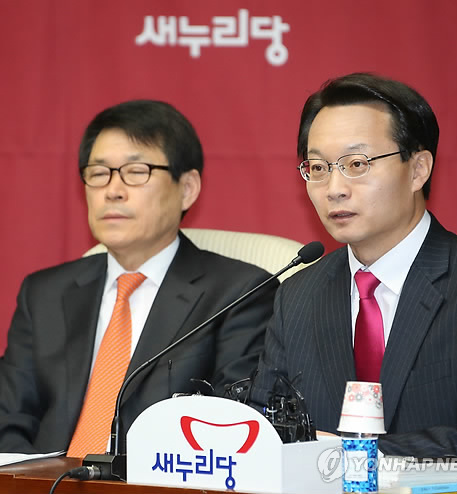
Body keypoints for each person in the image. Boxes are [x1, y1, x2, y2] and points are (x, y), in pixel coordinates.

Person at [252, 73, 457, 485]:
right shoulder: (297, 295)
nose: (334, 188)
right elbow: (265, 428)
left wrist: (355, 459)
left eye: (356, 165)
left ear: (418, 169)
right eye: (318, 168)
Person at [0, 99, 278, 457]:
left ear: (187, 188)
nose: (113, 190)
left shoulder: (240, 295)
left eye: (136, 171)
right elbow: (8, 420)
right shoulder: (44, 294)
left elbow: (230, 431)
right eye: (98, 173)